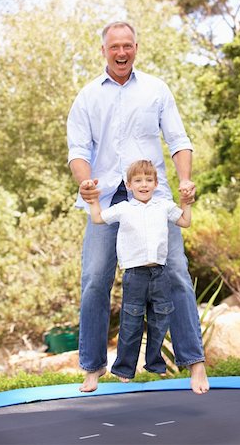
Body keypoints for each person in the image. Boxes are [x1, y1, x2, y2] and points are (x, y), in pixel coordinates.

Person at [67, 20, 209, 394]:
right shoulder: (87, 97)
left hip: (153, 196)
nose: (121, 52)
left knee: (176, 272)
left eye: (127, 46)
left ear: (135, 47)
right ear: (103, 51)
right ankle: (93, 367)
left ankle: (194, 362)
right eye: (114, 47)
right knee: (96, 279)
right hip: (108, 196)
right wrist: (85, 183)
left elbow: (179, 139)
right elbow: (78, 152)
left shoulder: (156, 90)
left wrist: (184, 180)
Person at [84, 160, 192, 382]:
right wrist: (94, 200)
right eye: (138, 181)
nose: (144, 185)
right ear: (129, 184)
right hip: (135, 276)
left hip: (159, 273)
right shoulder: (123, 208)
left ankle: (154, 361)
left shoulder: (163, 205)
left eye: (149, 180)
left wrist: (185, 202)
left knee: (160, 320)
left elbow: (185, 221)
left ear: (156, 183)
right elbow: (97, 218)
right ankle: (124, 367)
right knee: (131, 322)